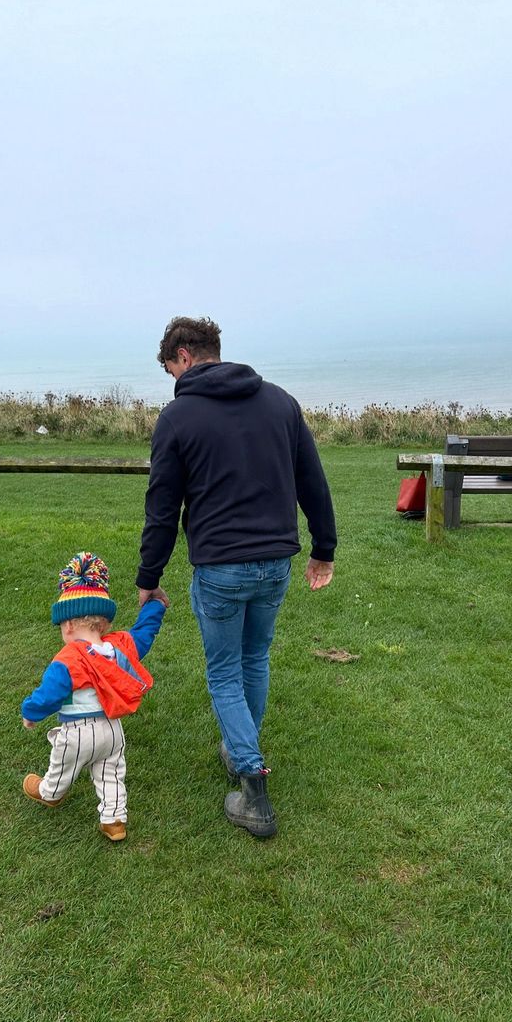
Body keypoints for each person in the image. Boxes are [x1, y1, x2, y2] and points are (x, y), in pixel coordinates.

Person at [136, 316, 336, 838]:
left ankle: (252, 788)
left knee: (225, 670)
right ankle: (238, 742)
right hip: (276, 564)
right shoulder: (280, 402)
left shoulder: (178, 417)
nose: (171, 378)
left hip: (221, 567)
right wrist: (323, 549)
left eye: (168, 368)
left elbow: (162, 507)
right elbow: (313, 480)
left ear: (182, 355)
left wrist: (148, 576)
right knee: (254, 657)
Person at [21, 551, 166, 841]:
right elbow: (144, 633)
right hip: (113, 730)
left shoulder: (69, 657)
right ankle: (114, 821)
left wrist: (30, 712)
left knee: (63, 766)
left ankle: (50, 793)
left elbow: (50, 694)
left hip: (78, 732)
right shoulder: (120, 647)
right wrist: (156, 606)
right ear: (104, 624)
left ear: (70, 625)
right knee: (111, 773)